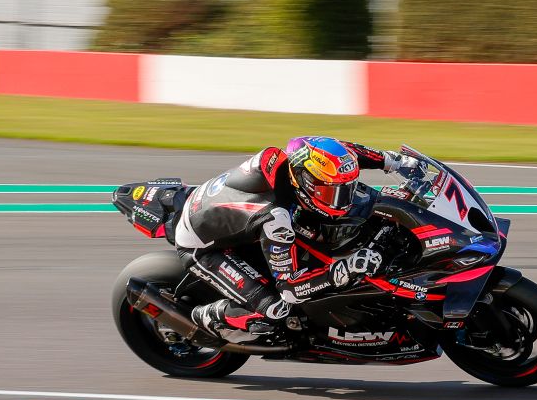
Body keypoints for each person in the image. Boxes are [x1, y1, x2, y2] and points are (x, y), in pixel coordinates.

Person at [172, 136, 421, 344]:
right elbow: (291, 289)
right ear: (304, 182)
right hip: (203, 248)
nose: (342, 200)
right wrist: (345, 268)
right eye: (330, 192)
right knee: (275, 311)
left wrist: (393, 161)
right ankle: (208, 317)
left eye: (346, 188)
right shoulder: (276, 219)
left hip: (228, 219)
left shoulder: (301, 155)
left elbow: (345, 152)